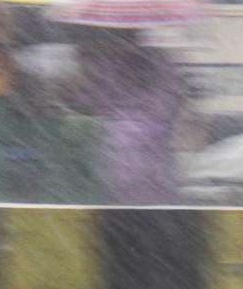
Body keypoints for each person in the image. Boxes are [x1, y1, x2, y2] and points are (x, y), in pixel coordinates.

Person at [74, 26, 186, 204]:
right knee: (155, 193)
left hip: (122, 139)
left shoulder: (106, 61)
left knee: (125, 191)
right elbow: (174, 96)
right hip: (154, 137)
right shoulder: (159, 58)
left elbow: (90, 100)